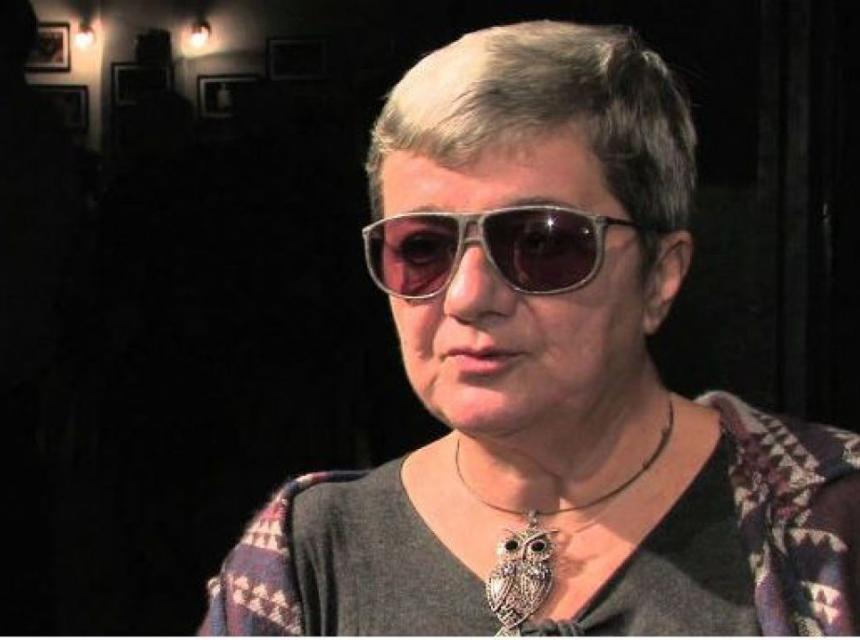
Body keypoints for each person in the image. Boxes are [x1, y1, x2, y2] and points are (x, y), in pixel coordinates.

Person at [199, 20, 860, 636]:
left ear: (660, 274)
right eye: (423, 248)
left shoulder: (832, 520)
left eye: (541, 243)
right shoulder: (304, 559)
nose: (467, 296)